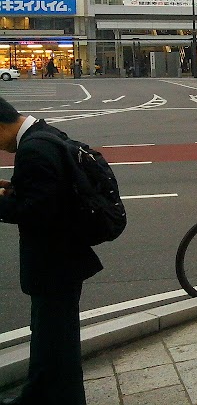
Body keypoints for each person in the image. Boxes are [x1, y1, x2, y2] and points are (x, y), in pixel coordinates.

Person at [0, 96, 103, 405]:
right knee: (54, 341)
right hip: (65, 258)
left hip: (54, 262)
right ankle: (40, 396)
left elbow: (38, 211)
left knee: (55, 341)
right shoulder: (46, 134)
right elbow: (51, 192)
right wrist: (17, 188)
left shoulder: (33, 148)